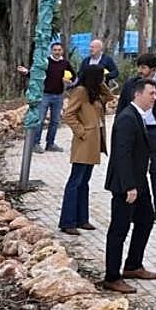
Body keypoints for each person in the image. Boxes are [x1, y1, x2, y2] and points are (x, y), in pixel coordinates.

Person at [102, 77, 156, 294]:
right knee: (119, 229)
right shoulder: (127, 118)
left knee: (146, 220)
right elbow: (122, 154)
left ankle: (133, 265)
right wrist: (129, 186)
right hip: (126, 185)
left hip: (139, 182)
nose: (155, 97)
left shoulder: (139, 116)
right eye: (151, 93)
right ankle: (112, 276)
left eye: (155, 94)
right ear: (137, 94)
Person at [117, 53, 156, 222]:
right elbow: (121, 108)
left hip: (155, 130)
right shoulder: (131, 84)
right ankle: (135, 206)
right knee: (136, 166)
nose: (140, 71)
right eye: (139, 67)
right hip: (136, 129)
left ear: (153, 69)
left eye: (144, 67)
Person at [57, 63, 113, 235]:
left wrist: (101, 84)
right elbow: (68, 114)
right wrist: (81, 131)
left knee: (84, 182)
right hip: (84, 142)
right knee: (75, 181)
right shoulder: (81, 91)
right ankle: (68, 221)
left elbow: (109, 96)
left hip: (94, 142)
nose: (103, 80)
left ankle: (82, 218)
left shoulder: (93, 92)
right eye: (100, 77)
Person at [16, 42, 74, 152]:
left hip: (58, 96)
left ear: (62, 51)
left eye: (59, 50)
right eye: (55, 50)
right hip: (45, 95)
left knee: (55, 121)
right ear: (51, 51)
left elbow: (74, 76)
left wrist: (69, 82)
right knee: (40, 120)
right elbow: (35, 74)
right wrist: (26, 72)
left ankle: (50, 144)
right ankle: (35, 144)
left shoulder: (65, 63)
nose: (57, 52)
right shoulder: (45, 62)